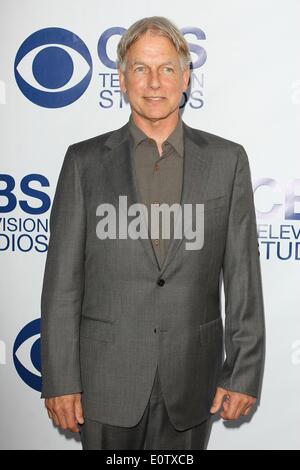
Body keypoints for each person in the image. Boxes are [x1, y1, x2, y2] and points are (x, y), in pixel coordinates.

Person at [40, 16, 265, 450]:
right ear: (122, 81)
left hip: (191, 382)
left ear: (186, 77)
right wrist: (60, 378)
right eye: (141, 69)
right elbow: (62, 285)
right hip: (104, 383)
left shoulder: (227, 161)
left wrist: (242, 372)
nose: (155, 82)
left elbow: (243, 279)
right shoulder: (84, 163)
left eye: (166, 69)